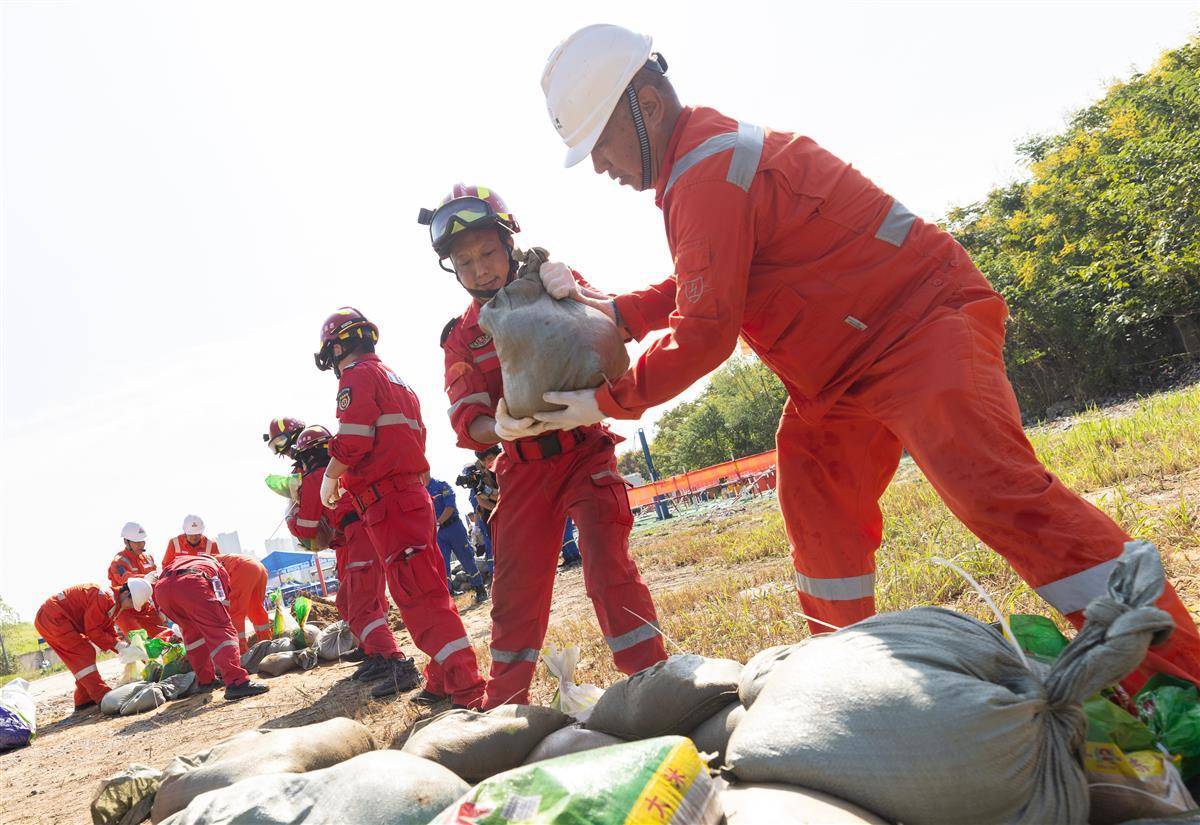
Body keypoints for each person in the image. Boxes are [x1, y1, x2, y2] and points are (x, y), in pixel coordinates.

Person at [535, 24, 1200, 688]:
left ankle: (1176, 674)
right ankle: (844, 681)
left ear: (647, 104)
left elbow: (705, 328)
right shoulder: (700, 166)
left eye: (599, 142)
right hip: (841, 375)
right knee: (816, 500)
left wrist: (604, 401)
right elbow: (713, 275)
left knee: (997, 491)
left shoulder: (706, 169)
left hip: (919, 327)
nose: (599, 165)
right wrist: (621, 315)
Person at [420, 185, 666, 708]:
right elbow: (468, 420)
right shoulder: (463, 337)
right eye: (465, 262)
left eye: (488, 252)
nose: (481, 269)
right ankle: (506, 703)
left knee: (607, 564)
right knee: (515, 594)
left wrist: (571, 291)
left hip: (586, 451)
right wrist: (502, 428)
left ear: (510, 246)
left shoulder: (557, 282)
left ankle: (652, 678)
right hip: (523, 471)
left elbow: (608, 333)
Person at [314, 307, 485, 705]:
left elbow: (354, 439)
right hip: (406, 496)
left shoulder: (357, 376)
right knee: (428, 587)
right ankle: (442, 677)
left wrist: (331, 474)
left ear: (339, 346)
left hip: (388, 500)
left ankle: (466, 685)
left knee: (418, 595)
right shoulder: (396, 380)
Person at [286, 424, 395, 670]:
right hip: (369, 529)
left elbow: (306, 527)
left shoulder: (316, 477)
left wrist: (291, 516)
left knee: (355, 602)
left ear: (306, 455)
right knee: (364, 597)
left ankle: (389, 657)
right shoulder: (347, 465)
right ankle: (372, 649)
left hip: (355, 534)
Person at [154, 553, 269, 700]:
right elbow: (224, 603)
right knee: (222, 629)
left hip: (163, 591)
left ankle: (205, 681)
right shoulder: (217, 568)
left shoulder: (180, 561)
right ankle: (237, 682)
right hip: (191, 584)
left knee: (192, 633)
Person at [34, 580, 149, 711]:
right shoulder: (103, 598)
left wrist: (123, 647)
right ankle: (102, 696)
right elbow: (93, 632)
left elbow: (105, 628)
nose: (130, 607)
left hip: (54, 617)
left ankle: (85, 698)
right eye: (132, 603)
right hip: (53, 618)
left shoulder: (112, 601)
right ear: (126, 593)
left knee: (82, 657)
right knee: (83, 652)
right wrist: (118, 646)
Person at [427, 475, 488, 603]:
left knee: (466, 558)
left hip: (454, 527)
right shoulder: (420, 491)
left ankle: (480, 589)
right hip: (438, 533)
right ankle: (449, 593)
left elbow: (450, 507)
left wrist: (437, 523)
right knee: (442, 563)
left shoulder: (441, 485)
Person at [108, 521, 171, 638]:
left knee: (165, 636)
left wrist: (160, 608)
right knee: (140, 642)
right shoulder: (119, 561)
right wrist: (145, 578)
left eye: (142, 541)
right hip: (125, 609)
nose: (141, 545)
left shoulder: (148, 558)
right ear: (126, 542)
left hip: (145, 606)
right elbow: (125, 578)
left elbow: (155, 587)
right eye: (136, 542)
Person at [215, 554, 272, 653]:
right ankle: (267, 644)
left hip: (242, 569)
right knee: (256, 609)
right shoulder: (214, 558)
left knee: (234, 613)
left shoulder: (200, 566)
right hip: (259, 567)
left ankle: (241, 651)